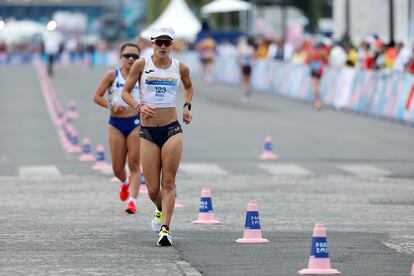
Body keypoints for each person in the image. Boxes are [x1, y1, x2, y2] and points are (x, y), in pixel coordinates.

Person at [122, 26, 193, 246]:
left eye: (167, 43)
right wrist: (139, 106)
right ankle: (160, 208)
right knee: (153, 188)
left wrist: (187, 105)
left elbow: (189, 87)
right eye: (159, 42)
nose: (163, 46)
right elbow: (125, 92)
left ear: (172, 44)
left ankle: (166, 229)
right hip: (148, 131)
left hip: (172, 128)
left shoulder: (180, 67)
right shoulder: (142, 64)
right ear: (152, 43)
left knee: (169, 181)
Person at [93, 43, 141, 214]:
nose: (130, 59)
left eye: (134, 56)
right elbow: (97, 97)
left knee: (134, 164)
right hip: (116, 124)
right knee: (117, 168)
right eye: (127, 55)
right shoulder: (112, 75)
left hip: (136, 122)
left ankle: (132, 201)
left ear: (139, 59)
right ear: (121, 57)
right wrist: (111, 105)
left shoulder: (141, 76)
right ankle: (125, 182)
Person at [237, 36, 255, 102]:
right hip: (249, 66)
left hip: (244, 65)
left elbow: (238, 56)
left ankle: (245, 93)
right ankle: (247, 90)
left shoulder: (242, 49)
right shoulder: (252, 49)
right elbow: (254, 58)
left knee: (244, 80)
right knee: (248, 79)